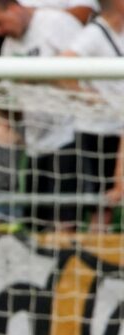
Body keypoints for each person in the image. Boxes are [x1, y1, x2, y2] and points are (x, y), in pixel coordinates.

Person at [0, 0, 82, 230]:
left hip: (69, 138)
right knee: (36, 224)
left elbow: (84, 75)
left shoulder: (55, 23)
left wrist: (36, 76)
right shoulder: (8, 47)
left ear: (14, 8)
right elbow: (13, 105)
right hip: (36, 145)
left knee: (63, 222)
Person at [62, 0, 124, 231]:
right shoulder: (93, 34)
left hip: (117, 128)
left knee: (108, 202)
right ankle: (90, 259)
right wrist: (84, 94)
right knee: (100, 204)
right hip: (94, 131)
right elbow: (61, 66)